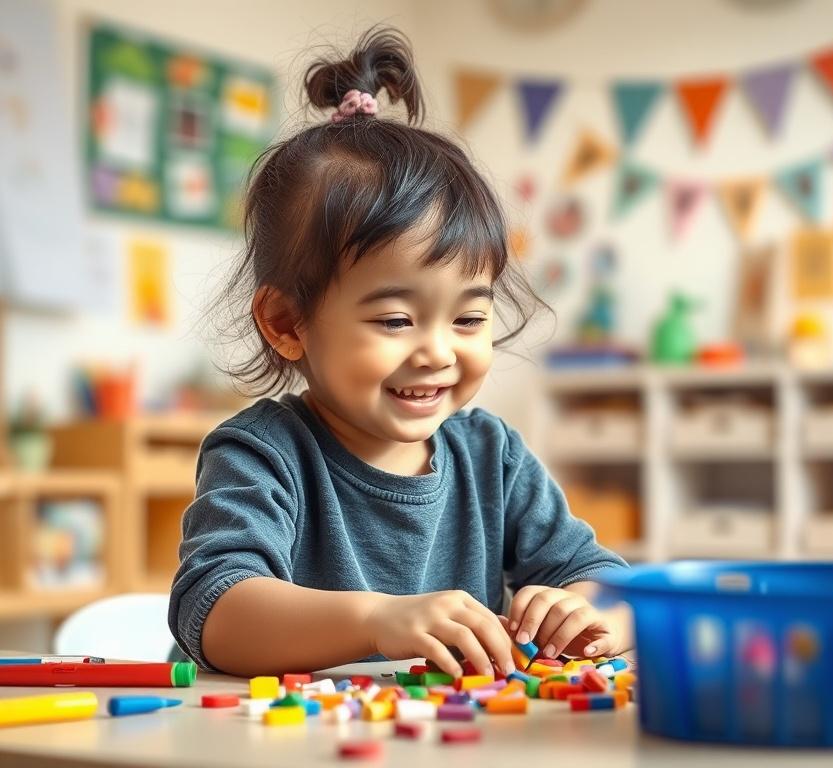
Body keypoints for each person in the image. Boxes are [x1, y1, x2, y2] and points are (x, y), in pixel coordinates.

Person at [169, 26, 630, 678]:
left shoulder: (490, 457)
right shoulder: (262, 454)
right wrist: (379, 620)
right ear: (286, 321)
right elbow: (216, 611)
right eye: (395, 319)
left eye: (469, 317)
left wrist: (590, 612)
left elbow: (608, 583)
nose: (438, 351)